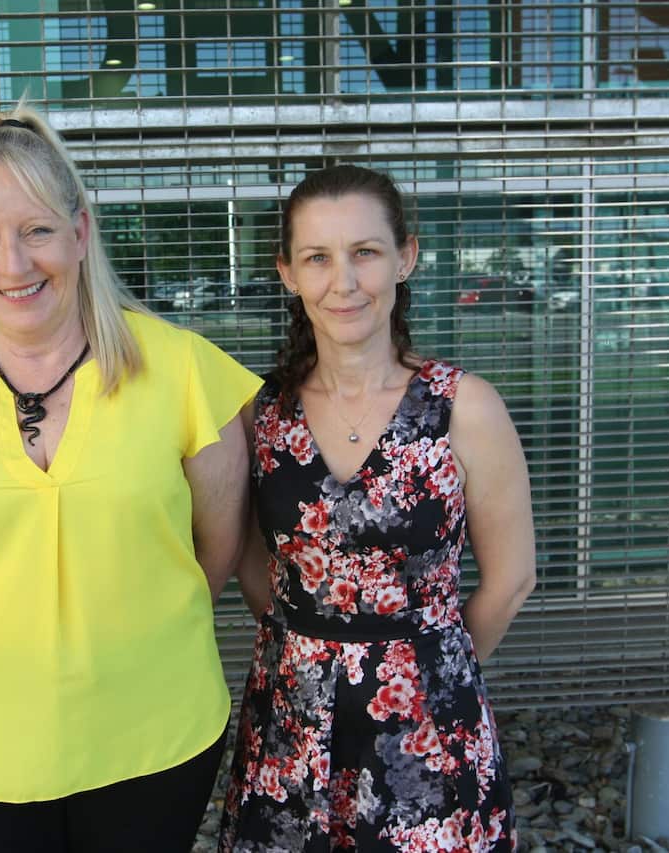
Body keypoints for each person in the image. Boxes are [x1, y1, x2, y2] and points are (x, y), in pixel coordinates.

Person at [0, 105, 260, 852]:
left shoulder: (185, 372)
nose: (13, 263)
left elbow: (215, 551)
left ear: (81, 232)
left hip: (153, 734)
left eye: (36, 229)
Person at [218, 165, 536, 852]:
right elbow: (248, 561)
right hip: (290, 728)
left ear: (406, 257)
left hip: (429, 731)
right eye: (318, 258)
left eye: (365, 252)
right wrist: (313, 648)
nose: (345, 281)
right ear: (287, 272)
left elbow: (512, 579)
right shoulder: (260, 415)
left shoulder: (465, 408)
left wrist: (427, 665)